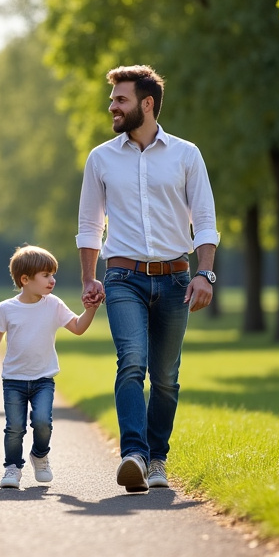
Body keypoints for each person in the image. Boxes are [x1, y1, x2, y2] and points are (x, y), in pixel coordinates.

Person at [77, 65, 219, 493]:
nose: (112, 106)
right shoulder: (101, 158)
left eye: (120, 99)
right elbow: (89, 225)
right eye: (113, 99)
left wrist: (205, 273)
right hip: (122, 278)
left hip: (176, 278)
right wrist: (88, 277)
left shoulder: (186, 154)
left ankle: (157, 458)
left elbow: (206, 220)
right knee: (131, 363)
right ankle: (134, 455)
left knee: (166, 378)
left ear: (147, 103)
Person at [0, 245, 97, 489]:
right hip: (13, 380)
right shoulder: (7, 308)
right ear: (25, 279)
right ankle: (12, 468)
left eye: (52, 274)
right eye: (45, 275)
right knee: (14, 428)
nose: (52, 280)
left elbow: (78, 327)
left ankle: (40, 455)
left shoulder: (54, 304)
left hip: (43, 379)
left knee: (42, 422)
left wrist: (91, 309)